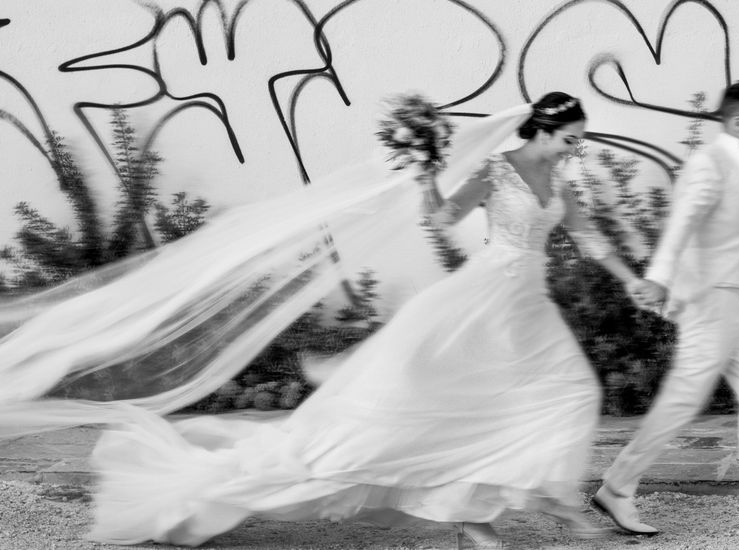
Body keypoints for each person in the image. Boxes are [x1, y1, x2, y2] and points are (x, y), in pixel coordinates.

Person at [68, 92, 643, 548]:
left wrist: (633, 278)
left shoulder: (560, 183)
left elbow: (590, 239)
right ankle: (488, 521)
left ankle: (525, 504)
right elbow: (443, 220)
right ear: (542, 129)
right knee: (447, 404)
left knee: (568, 392)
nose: (575, 149)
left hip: (529, 304)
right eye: (570, 139)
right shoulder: (496, 172)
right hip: (485, 296)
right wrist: (423, 173)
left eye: (578, 141)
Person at [592, 81, 739, 534]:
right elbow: (683, 222)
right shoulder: (710, 163)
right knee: (683, 400)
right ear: (738, 122)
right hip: (710, 301)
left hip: (729, 301)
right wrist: (659, 279)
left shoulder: (736, 163)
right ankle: (618, 487)